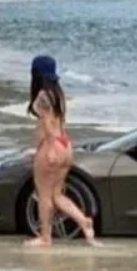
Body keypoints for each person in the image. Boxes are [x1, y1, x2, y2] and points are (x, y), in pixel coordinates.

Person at [25, 55, 96, 246]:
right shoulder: (58, 93)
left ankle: (45, 238)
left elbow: (46, 124)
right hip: (65, 143)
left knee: (44, 195)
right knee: (57, 194)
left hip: (52, 145)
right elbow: (58, 123)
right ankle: (84, 221)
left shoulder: (42, 95)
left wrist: (46, 149)